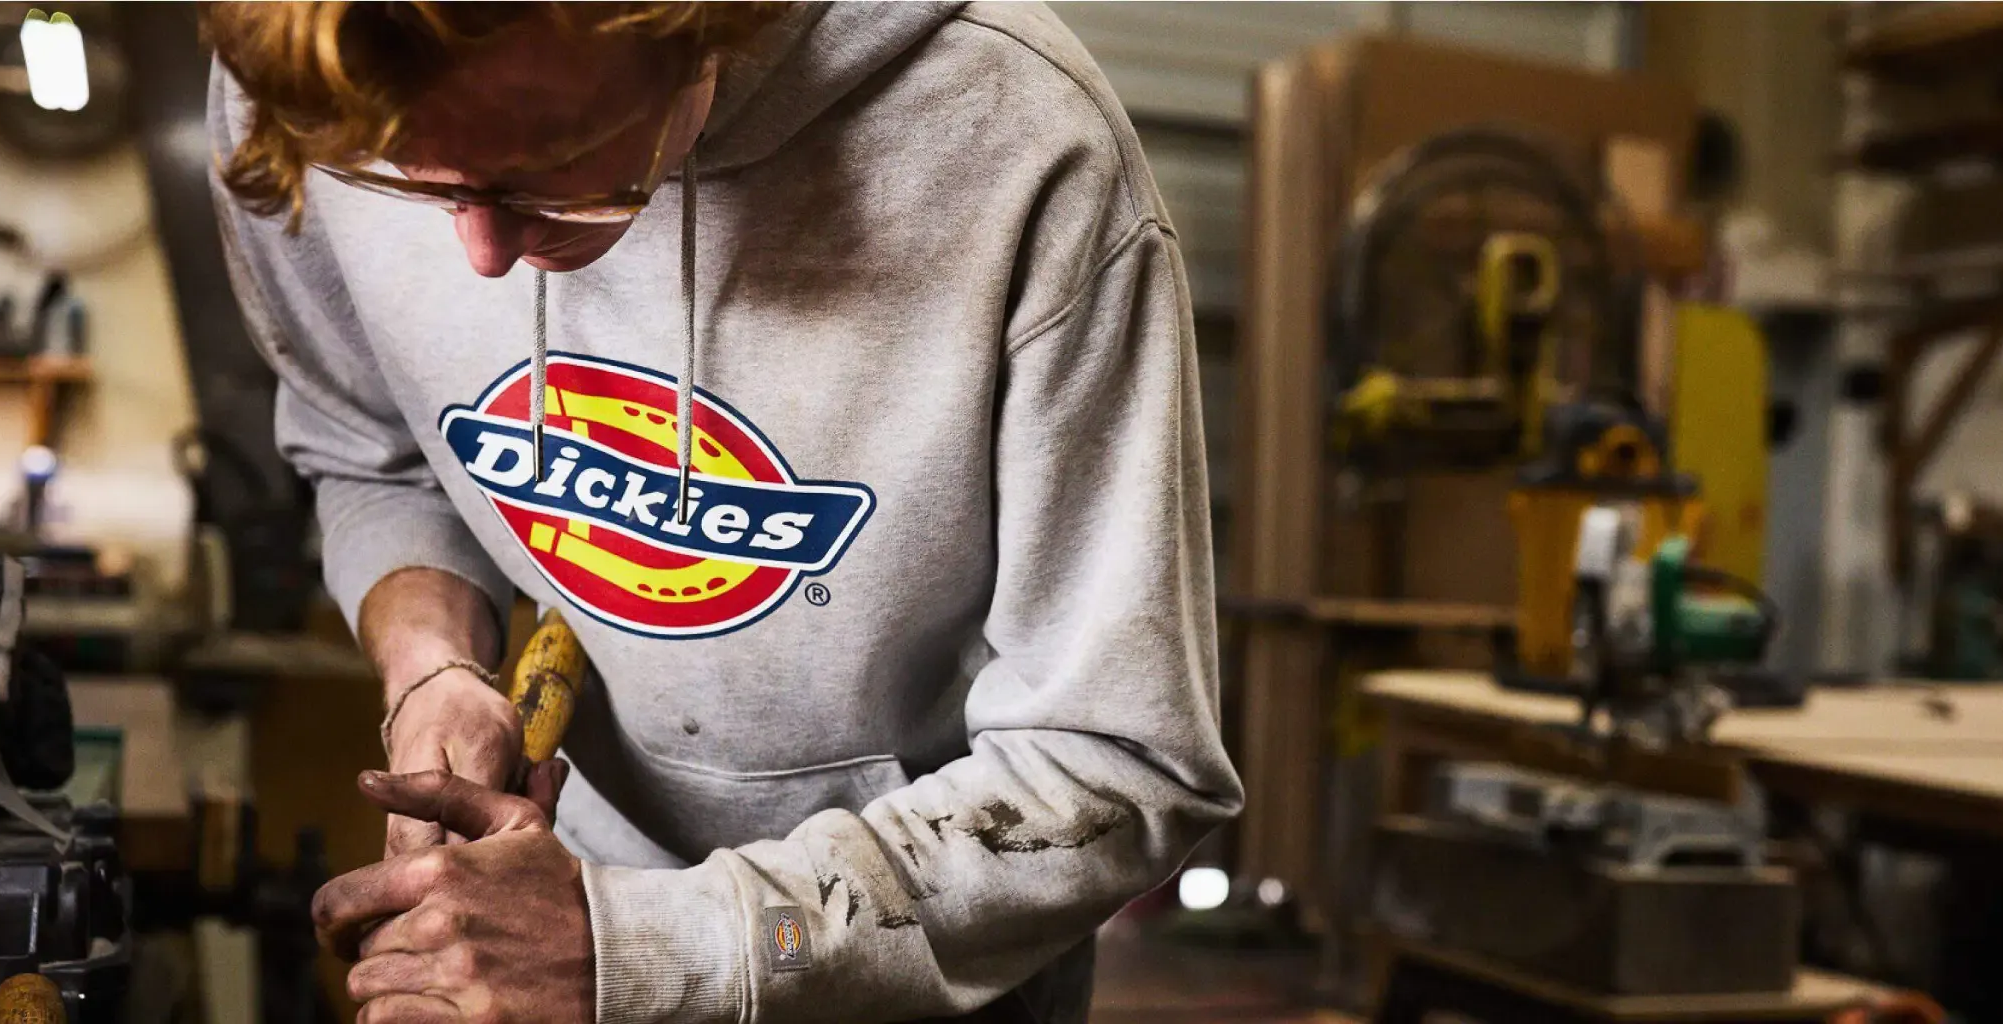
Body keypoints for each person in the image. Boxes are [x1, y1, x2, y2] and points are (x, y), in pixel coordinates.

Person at [204, 3, 1241, 1021]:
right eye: (413, 186)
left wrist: (645, 947)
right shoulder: (308, 74)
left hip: (923, 968)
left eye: (548, 166)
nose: (481, 252)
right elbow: (373, 454)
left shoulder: (1010, 137)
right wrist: (430, 670)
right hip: (548, 918)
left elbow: (1114, 765)